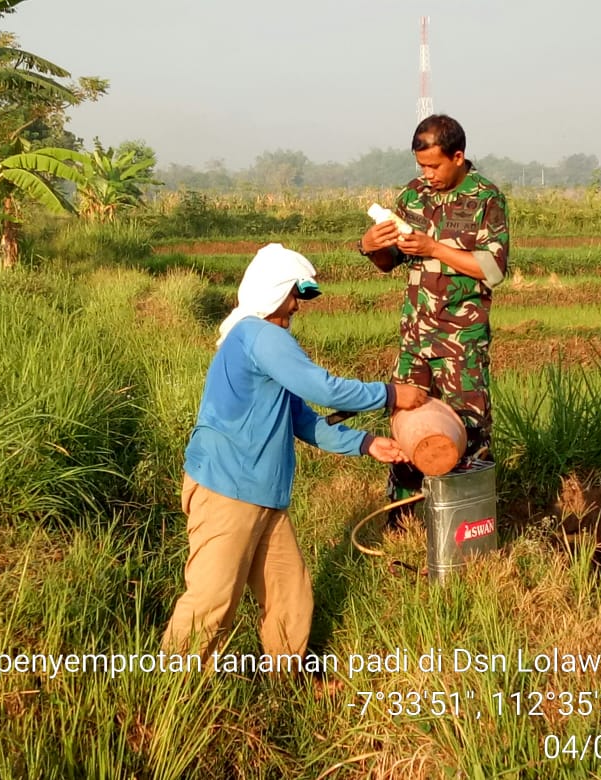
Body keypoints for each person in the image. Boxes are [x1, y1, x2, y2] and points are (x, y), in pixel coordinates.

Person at [160, 242, 426, 665]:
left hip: (261, 494)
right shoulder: (259, 335)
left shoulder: (258, 336)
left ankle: (287, 680)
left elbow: (298, 416)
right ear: (273, 291)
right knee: (211, 600)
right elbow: (323, 389)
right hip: (229, 490)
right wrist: (391, 394)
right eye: (293, 295)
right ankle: (173, 687)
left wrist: (365, 443)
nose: (298, 306)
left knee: (290, 593)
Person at [356, 114, 510, 527]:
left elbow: (492, 269)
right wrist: (371, 247)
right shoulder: (414, 196)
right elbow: (391, 262)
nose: (426, 174)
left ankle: (466, 527)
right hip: (415, 338)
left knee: (469, 432)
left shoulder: (485, 198)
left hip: (461, 340)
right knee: (407, 427)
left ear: (458, 157)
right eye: (420, 166)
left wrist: (434, 247)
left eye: (433, 166)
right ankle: (403, 523)